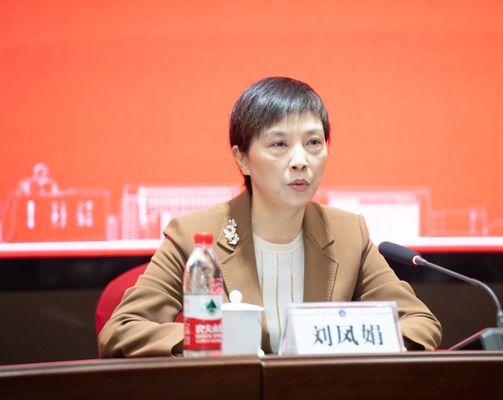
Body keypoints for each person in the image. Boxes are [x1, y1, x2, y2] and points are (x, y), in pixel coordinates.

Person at [98, 77, 442, 357]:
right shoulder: (194, 235)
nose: (300, 161)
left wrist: (350, 340)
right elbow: (122, 329)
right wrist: (212, 340)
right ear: (242, 159)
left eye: (313, 143)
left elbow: (420, 324)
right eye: (279, 144)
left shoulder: (348, 234)